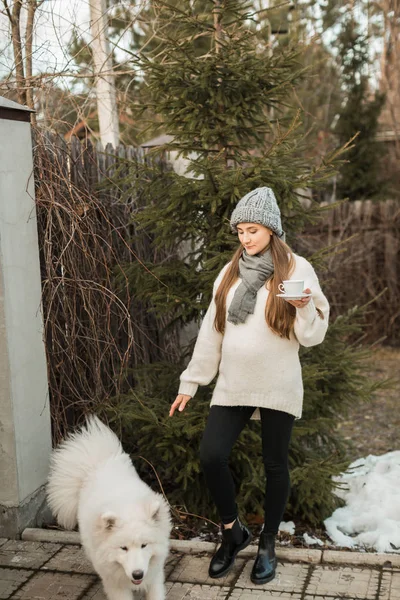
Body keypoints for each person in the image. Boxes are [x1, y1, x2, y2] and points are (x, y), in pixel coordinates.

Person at [169, 187, 329, 585]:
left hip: (278, 384)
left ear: (271, 230)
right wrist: (191, 382)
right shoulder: (229, 273)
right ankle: (233, 532)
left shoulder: (296, 268)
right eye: (240, 230)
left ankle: (268, 543)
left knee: (275, 464)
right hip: (234, 383)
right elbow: (212, 331)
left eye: (252, 230)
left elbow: (315, 335)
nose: (245, 238)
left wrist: (304, 306)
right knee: (211, 455)